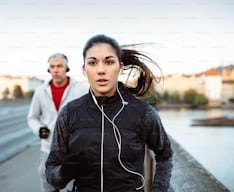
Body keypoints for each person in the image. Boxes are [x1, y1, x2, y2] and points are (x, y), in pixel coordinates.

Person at [45, 34, 173, 192]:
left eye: (109, 62)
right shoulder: (69, 113)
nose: (101, 70)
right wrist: (63, 173)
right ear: (84, 70)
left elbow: (165, 155)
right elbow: (51, 173)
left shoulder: (143, 113)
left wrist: (158, 189)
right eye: (92, 63)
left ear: (121, 68)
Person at [27, 53, 87, 192]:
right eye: (52, 67)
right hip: (48, 150)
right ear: (49, 69)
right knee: (48, 186)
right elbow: (32, 117)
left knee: (72, 188)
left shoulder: (81, 90)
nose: (55, 70)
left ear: (67, 68)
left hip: (73, 151)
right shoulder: (41, 91)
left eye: (59, 66)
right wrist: (39, 129)